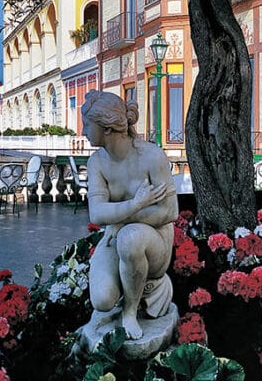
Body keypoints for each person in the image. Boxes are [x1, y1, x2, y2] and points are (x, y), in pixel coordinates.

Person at [81, 90, 177, 340]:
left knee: (131, 238)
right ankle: (127, 287)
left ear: (108, 129)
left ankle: (130, 311)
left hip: (154, 241)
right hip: (116, 236)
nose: (83, 132)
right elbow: (97, 214)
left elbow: (170, 211)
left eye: (87, 126)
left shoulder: (151, 156)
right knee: (102, 300)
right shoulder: (97, 162)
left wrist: (122, 220)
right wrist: (135, 205)